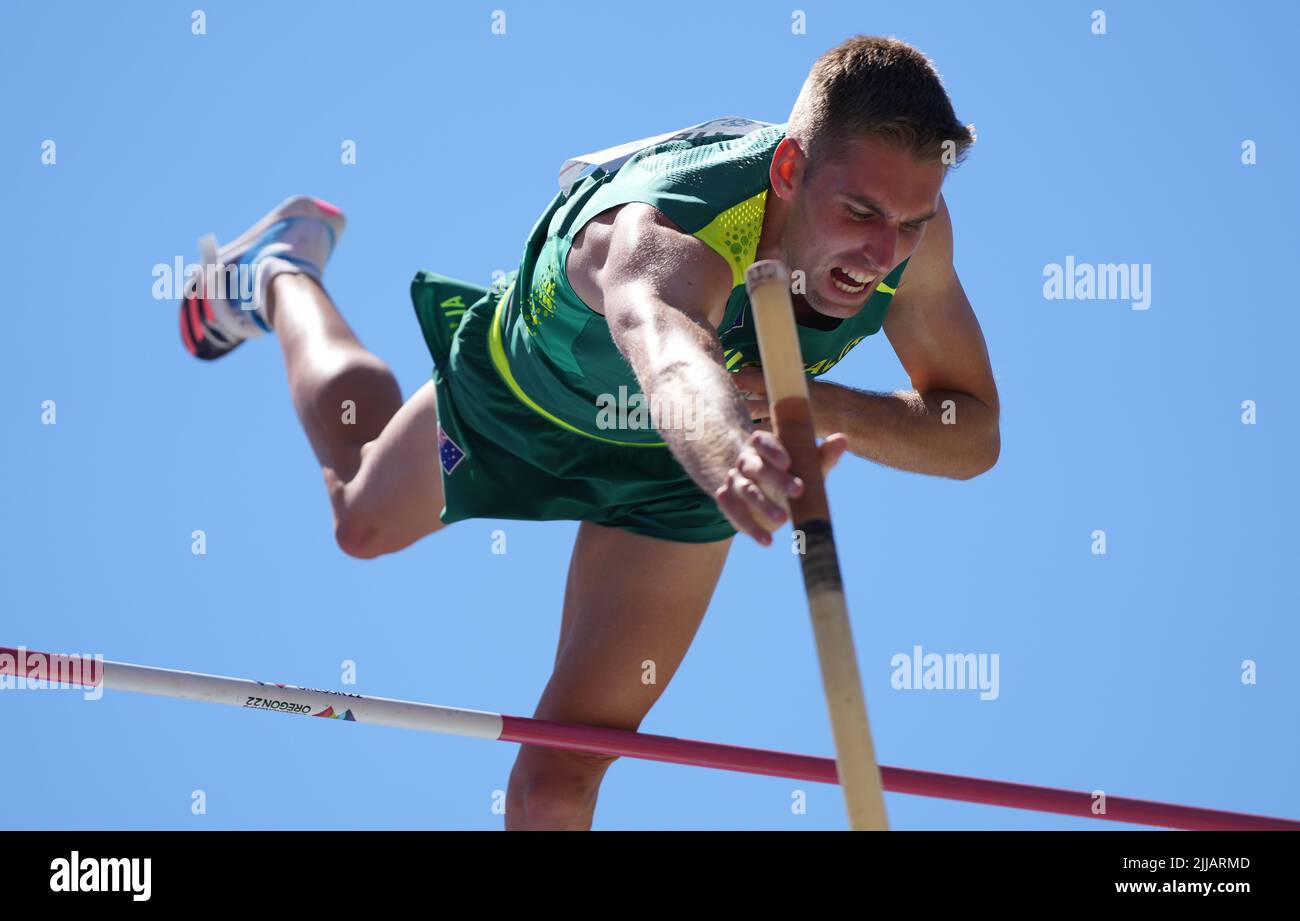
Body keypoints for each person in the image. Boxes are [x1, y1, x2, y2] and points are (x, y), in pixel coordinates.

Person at [176, 35, 999, 830]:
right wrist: (732, 455)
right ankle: (282, 273)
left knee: (554, 794)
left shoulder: (909, 247)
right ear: (789, 169)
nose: (883, 251)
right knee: (361, 518)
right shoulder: (667, 226)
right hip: (526, 404)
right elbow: (671, 356)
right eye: (859, 211)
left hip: (678, 485)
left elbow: (974, 431)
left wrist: (830, 405)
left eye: (911, 221)